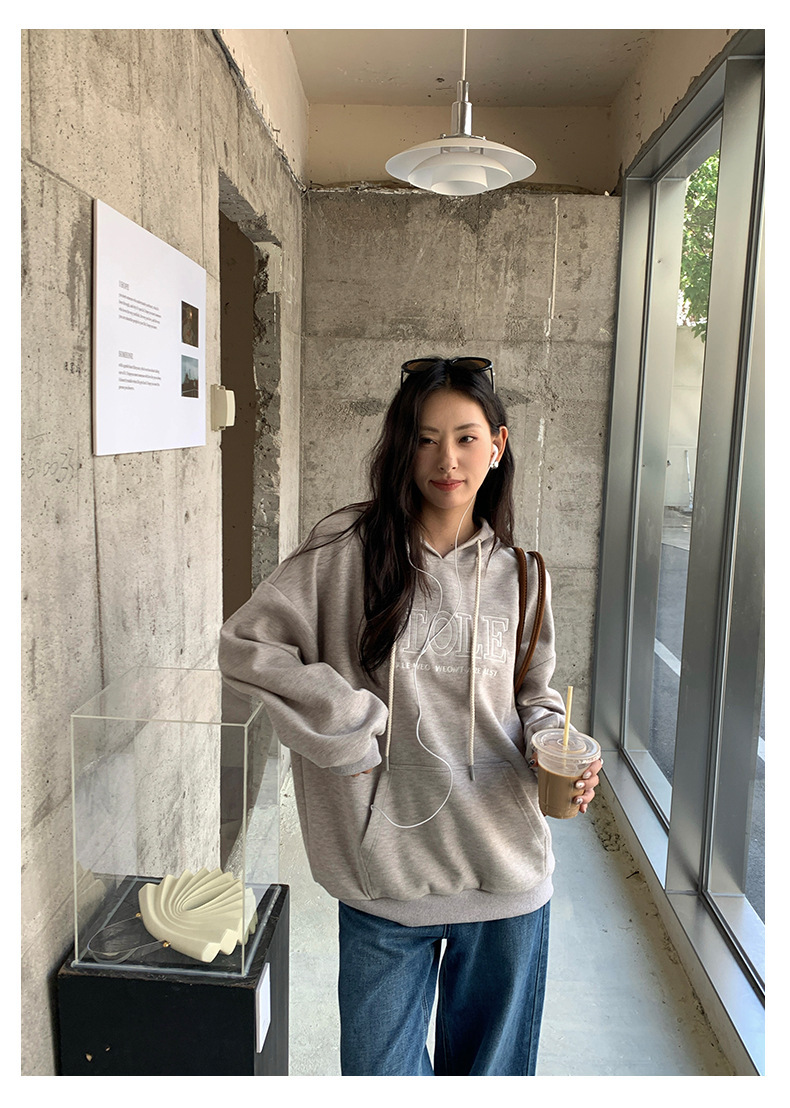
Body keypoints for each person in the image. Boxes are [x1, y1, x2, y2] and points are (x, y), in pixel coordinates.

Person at [219, 356, 602, 1076]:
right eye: (425, 439)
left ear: (497, 445)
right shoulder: (347, 550)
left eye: (465, 437)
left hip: (506, 874)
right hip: (386, 881)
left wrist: (557, 743)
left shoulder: (524, 575)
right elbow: (247, 646)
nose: (446, 460)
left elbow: (534, 697)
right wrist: (351, 726)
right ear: (403, 446)